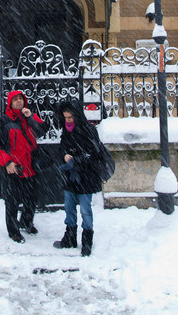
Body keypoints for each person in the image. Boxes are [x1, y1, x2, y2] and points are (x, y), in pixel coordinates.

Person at [0, 90, 47, 243]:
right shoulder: (3, 121)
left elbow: (42, 131)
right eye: (15, 99)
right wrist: (7, 162)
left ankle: (26, 222)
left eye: (21, 99)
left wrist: (31, 117)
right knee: (12, 201)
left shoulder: (29, 117)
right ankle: (13, 231)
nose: (19, 101)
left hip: (30, 166)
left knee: (31, 198)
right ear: (10, 103)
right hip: (14, 167)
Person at [53, 99, 103, 257]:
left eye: (70, 117)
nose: (68, 120)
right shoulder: (67, 130)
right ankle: (70, 237)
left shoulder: (88, 129)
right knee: (69, 207)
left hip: (86, 176)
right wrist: (64, 156)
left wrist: (77, 159)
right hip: (71, 176)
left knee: (85, 210)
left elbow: (94, 152)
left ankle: (87, 240)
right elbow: (62, 148)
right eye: (65, 117)